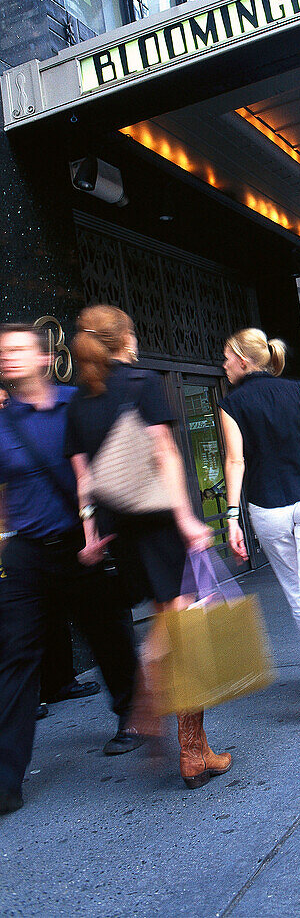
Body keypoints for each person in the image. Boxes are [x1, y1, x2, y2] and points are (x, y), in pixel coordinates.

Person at [65, 306, 230, 791]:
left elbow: (84, 479)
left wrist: (91, 533)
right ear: (124, 338)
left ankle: (194, 750)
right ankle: (161, 708)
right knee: (182, 634)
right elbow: (165, 453)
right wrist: (187, 520)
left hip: (122, 534)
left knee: (173, 623)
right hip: (161, 527)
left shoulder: (78, 402)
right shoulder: (141, 383)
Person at [0, 322, 140, 817]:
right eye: (2, 352)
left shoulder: (76, 404)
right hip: (27, 552)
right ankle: (5, 779)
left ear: (44, 357)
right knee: (14, 657)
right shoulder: (2, 421)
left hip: (84, 543)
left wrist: (101, 529)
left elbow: (109, 466)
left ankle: (130, 714)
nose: (8, 358)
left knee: (108, 634)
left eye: (18, 349)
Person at [220, 327, 300, 726]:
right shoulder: (296, 391)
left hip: (267, 506)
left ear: (243, 360)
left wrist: (231, 517)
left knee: (296, 588)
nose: (222, 365)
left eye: (226, 357)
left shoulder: (231, 404)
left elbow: (236, 462)